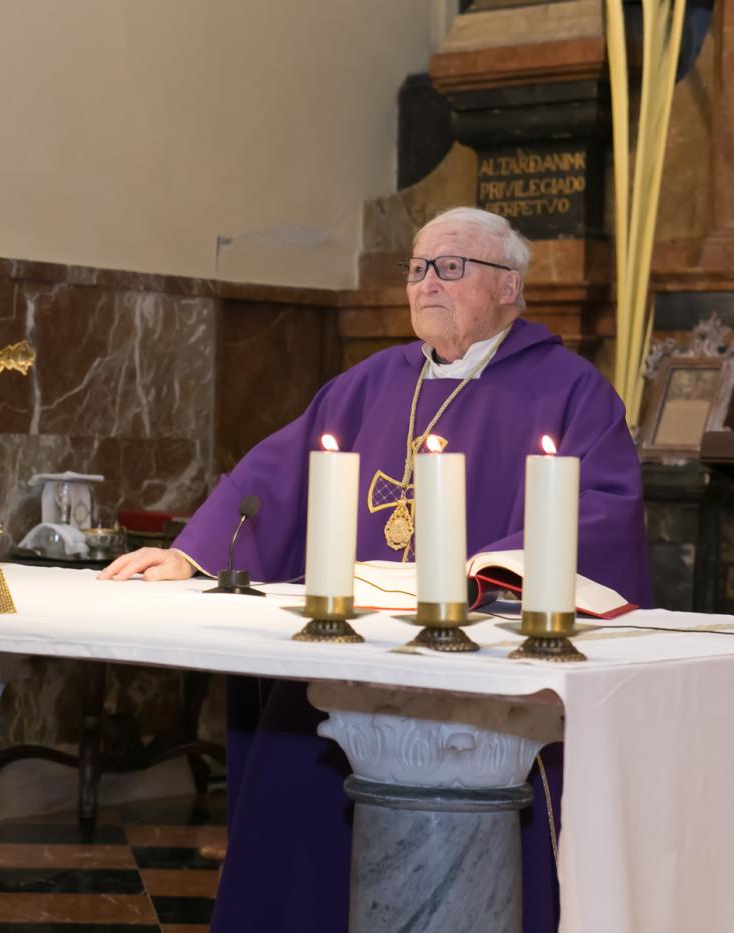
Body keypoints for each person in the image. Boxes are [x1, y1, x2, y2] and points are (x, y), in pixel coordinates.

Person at [100, 206, 650, 933]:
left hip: (484, 672)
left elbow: (599, 510)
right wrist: (193, 550)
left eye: (450, 267)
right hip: (353, 657)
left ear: (510, 286)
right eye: (418, 267)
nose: (426, 282)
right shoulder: (370, 383)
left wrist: (489, 576)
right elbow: (279, 472)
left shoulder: (569, 392)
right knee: (292, 772)